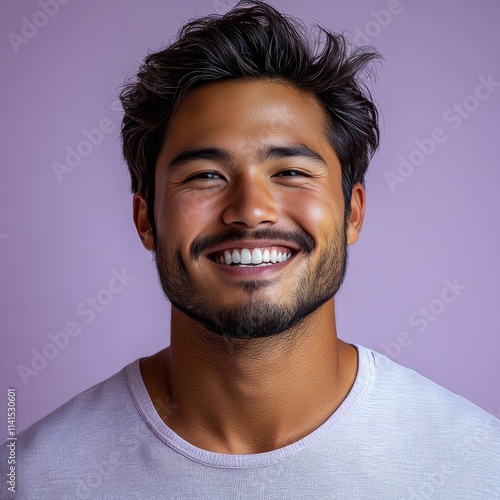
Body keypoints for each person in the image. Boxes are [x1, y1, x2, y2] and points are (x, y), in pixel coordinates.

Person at [3, 1, 499, 498]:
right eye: (205, 176)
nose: (251, 210)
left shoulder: (477, 466)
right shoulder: (33, 478)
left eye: (290, 172)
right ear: (145, 220)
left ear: (352, 212)